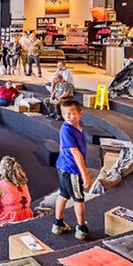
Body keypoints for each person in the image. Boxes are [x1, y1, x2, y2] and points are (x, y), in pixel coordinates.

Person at [52, 99, 92, 241]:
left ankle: (58, 224)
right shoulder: (66, 130)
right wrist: (85, 174)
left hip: (63, 166)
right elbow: (75, 153)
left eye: (71, 113)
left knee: (63, 195)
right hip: (71, 169)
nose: (68, 116)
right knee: (79, 199)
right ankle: (81, 228)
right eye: (65, 114)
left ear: (79, 114)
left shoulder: (79, 125)